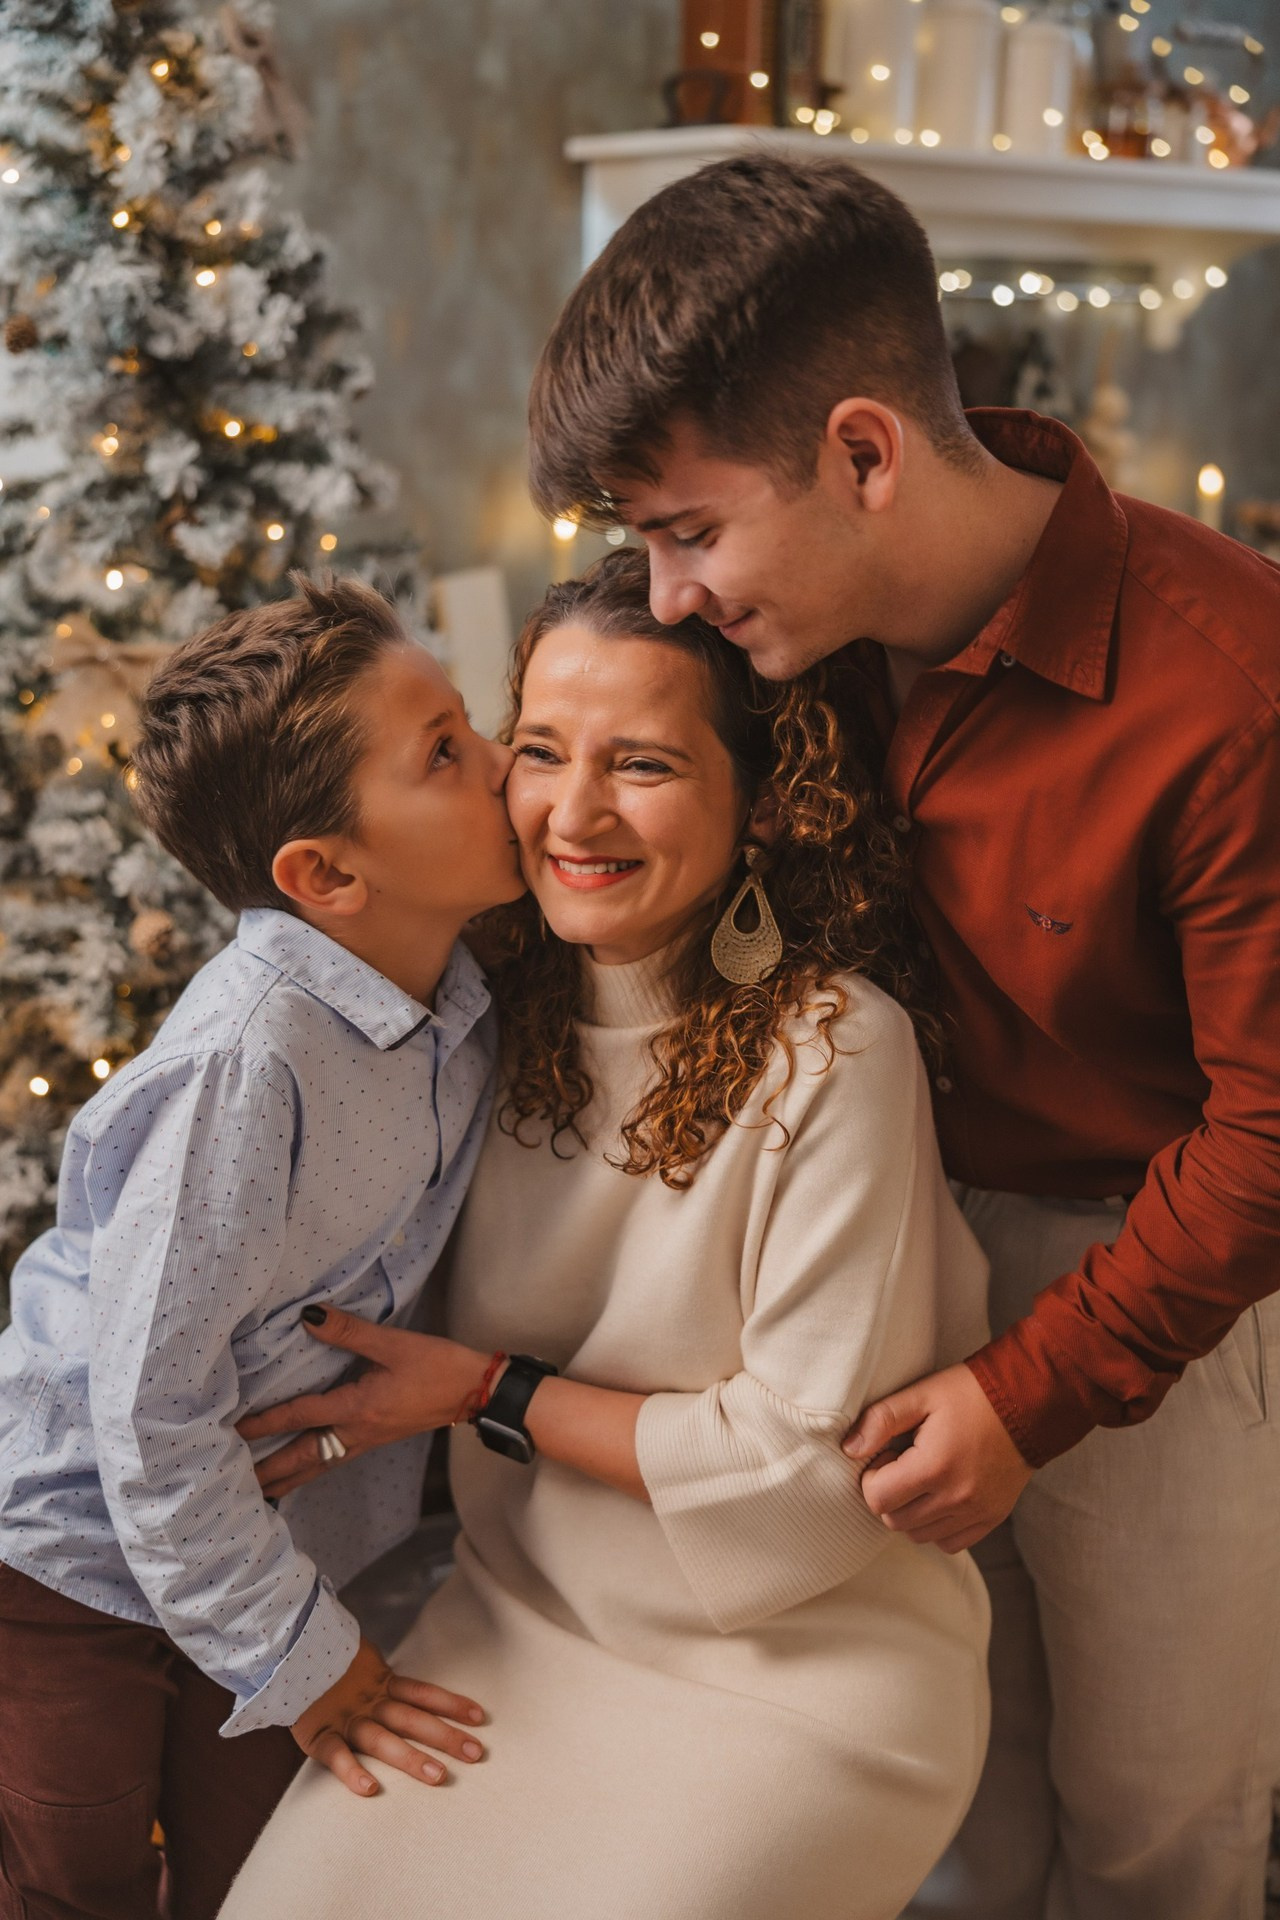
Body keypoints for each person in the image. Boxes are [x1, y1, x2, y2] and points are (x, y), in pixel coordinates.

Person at [521, 149, 1280, 1920]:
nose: (673, 593)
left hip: (1147, 1295)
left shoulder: (1231, 690)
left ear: (864, 453)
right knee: (934, 1813)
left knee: (1154, 1825)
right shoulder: (782, 646)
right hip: (862, 1264)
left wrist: (1029, 1391)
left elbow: (1271, 1137)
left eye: (691, 530)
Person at [220, 548, 991, 1920]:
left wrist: (481, 1393)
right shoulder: (472, 1022)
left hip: (803, 1681)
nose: (572, 813)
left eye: (641, 763)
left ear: (761, 803)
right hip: (514, 1635)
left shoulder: (835, 1054)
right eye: (538, 752)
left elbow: (803, 1473)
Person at [0, 574, 526, 1919]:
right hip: (70, 1548)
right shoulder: (248, 1063)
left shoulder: (463, 992)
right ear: (329, 875)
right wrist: (300, 1653)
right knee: (83, 1879)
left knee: (260, 1874)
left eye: (472, 726)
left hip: (278, 1537)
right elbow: (147, 1408)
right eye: (448, 756)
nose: (507, 765)